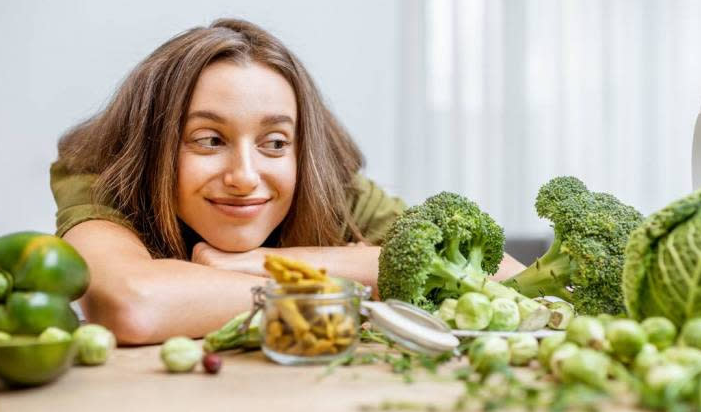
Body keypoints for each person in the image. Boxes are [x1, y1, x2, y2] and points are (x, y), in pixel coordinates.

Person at [51, 18, 524, 345]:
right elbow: (133, 304)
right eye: (209, 139)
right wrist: (349, 282)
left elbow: (506, 279)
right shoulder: (101, 175)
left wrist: (263, 263)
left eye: (275, 143)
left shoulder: (331, 189)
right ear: (155, 143)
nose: (244, 177)